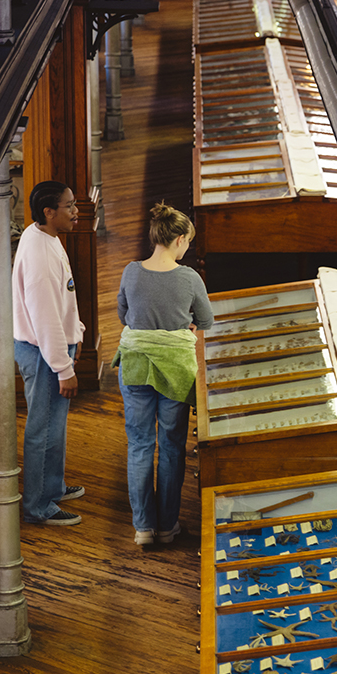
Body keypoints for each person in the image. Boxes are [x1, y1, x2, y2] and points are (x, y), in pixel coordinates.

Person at [116, 203, 213, 545]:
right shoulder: (189, 277)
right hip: (176, 370)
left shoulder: (131, 271)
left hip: (136, 365)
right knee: (171, 447)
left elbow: (123, 314)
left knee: (140, 445)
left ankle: (143, 527)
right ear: (180, 239)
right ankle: (168, 527)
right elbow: (206, 321)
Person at [13, 181, 86, 526]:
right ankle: (38, 506)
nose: (76, 211)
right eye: (69, 206)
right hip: (45, 354)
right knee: (43, 430)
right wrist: (63, 366)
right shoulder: (39, 254)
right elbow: (45, 318)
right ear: (49, 212)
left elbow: (65, 297)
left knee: (54, 427)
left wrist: (78, 332)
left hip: (52, 349)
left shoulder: (45, 237)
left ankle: (51, 487)